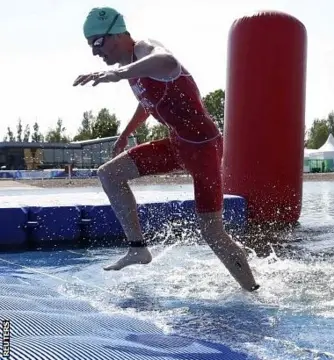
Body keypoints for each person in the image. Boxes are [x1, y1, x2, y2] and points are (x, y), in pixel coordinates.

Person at [72, 7, 259, 292]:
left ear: (119, 33)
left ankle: (253, 291)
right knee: (109, 174)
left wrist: (118, 73)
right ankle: (138, 248)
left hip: (203, 147)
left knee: (212, 231)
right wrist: (125, 134)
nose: (96, 52)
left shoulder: (145, 49)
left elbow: (168, 61)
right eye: (90, 45)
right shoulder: (136, 73)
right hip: (178, 145)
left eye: (98, 42)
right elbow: (146, 104)